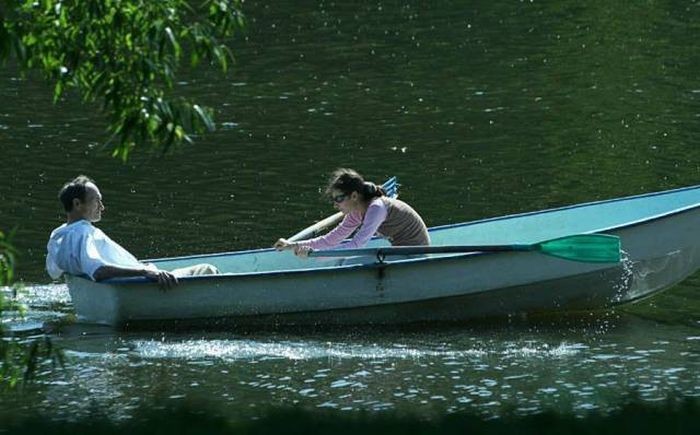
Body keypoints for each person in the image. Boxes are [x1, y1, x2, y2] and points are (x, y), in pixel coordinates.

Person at [46, 175, 219, 289]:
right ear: (77, 204)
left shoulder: (59, 236)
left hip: (127, 282)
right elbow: (98, 271)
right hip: (143, 284)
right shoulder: (85, 233)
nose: (102, 207)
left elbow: (54, 272)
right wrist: (145, 272)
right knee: (207, 269)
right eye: (97, 201)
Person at [274, 168, 430, 257]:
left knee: (348, 260)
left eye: (339, 199)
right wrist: (292, 245)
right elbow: (330, 240)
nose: (335, 205)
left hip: (416, 255)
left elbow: (356, 245)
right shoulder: (356, 212)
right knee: (343, 260)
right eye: (333, 200)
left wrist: (314, 254)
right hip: (399, 252)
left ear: (354, 196)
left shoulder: (377, 208)